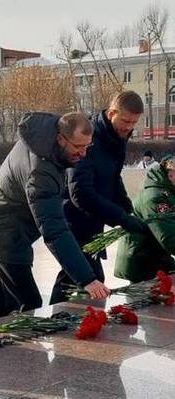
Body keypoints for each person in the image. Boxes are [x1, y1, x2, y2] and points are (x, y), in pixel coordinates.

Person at [0, 112, 110, 318]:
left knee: (3, 304)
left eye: (87, 146)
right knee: (29, 303)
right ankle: (7, 347)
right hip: (4, 236)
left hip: (1, 231)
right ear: (60, 139)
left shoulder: (43, 141)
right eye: (78, 147)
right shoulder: (41, 171)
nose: (83, 154)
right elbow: (53, 229)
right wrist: (86, 279)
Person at [50, 91, 146, 303]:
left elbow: (113, 176)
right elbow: (80, 193)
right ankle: (56, 324)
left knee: (71, 279)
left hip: (92, 220)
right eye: (125, 120)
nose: (129, 127)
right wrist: (121, 217)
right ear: (112, 113)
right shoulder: (89, 138)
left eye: (134, 122)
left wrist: (127, 208)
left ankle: (55, 323)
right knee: (86, 279)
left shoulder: (116, 137)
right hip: (73, 219)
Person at [114, 157, 175, 282]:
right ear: (170, 174)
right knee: (146, 299)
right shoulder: (155, 197)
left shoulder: (169, 192)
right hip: (142, 261)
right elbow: (168, 236)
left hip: (157, 256)